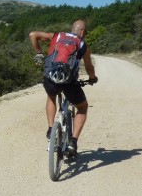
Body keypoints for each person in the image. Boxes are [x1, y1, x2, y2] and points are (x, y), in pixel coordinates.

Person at [29, 20, 97, 154]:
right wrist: (92, 78)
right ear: (82, 32)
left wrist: (39, 54)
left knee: (51, 97)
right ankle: (73, 142)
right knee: (82, 108)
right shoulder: (83, 45)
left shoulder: (57, 36)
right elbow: (89, 67)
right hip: (69, 82)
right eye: (86, 32)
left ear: (72, 29)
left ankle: (50, 129)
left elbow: (33, 34)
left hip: (51, 77)